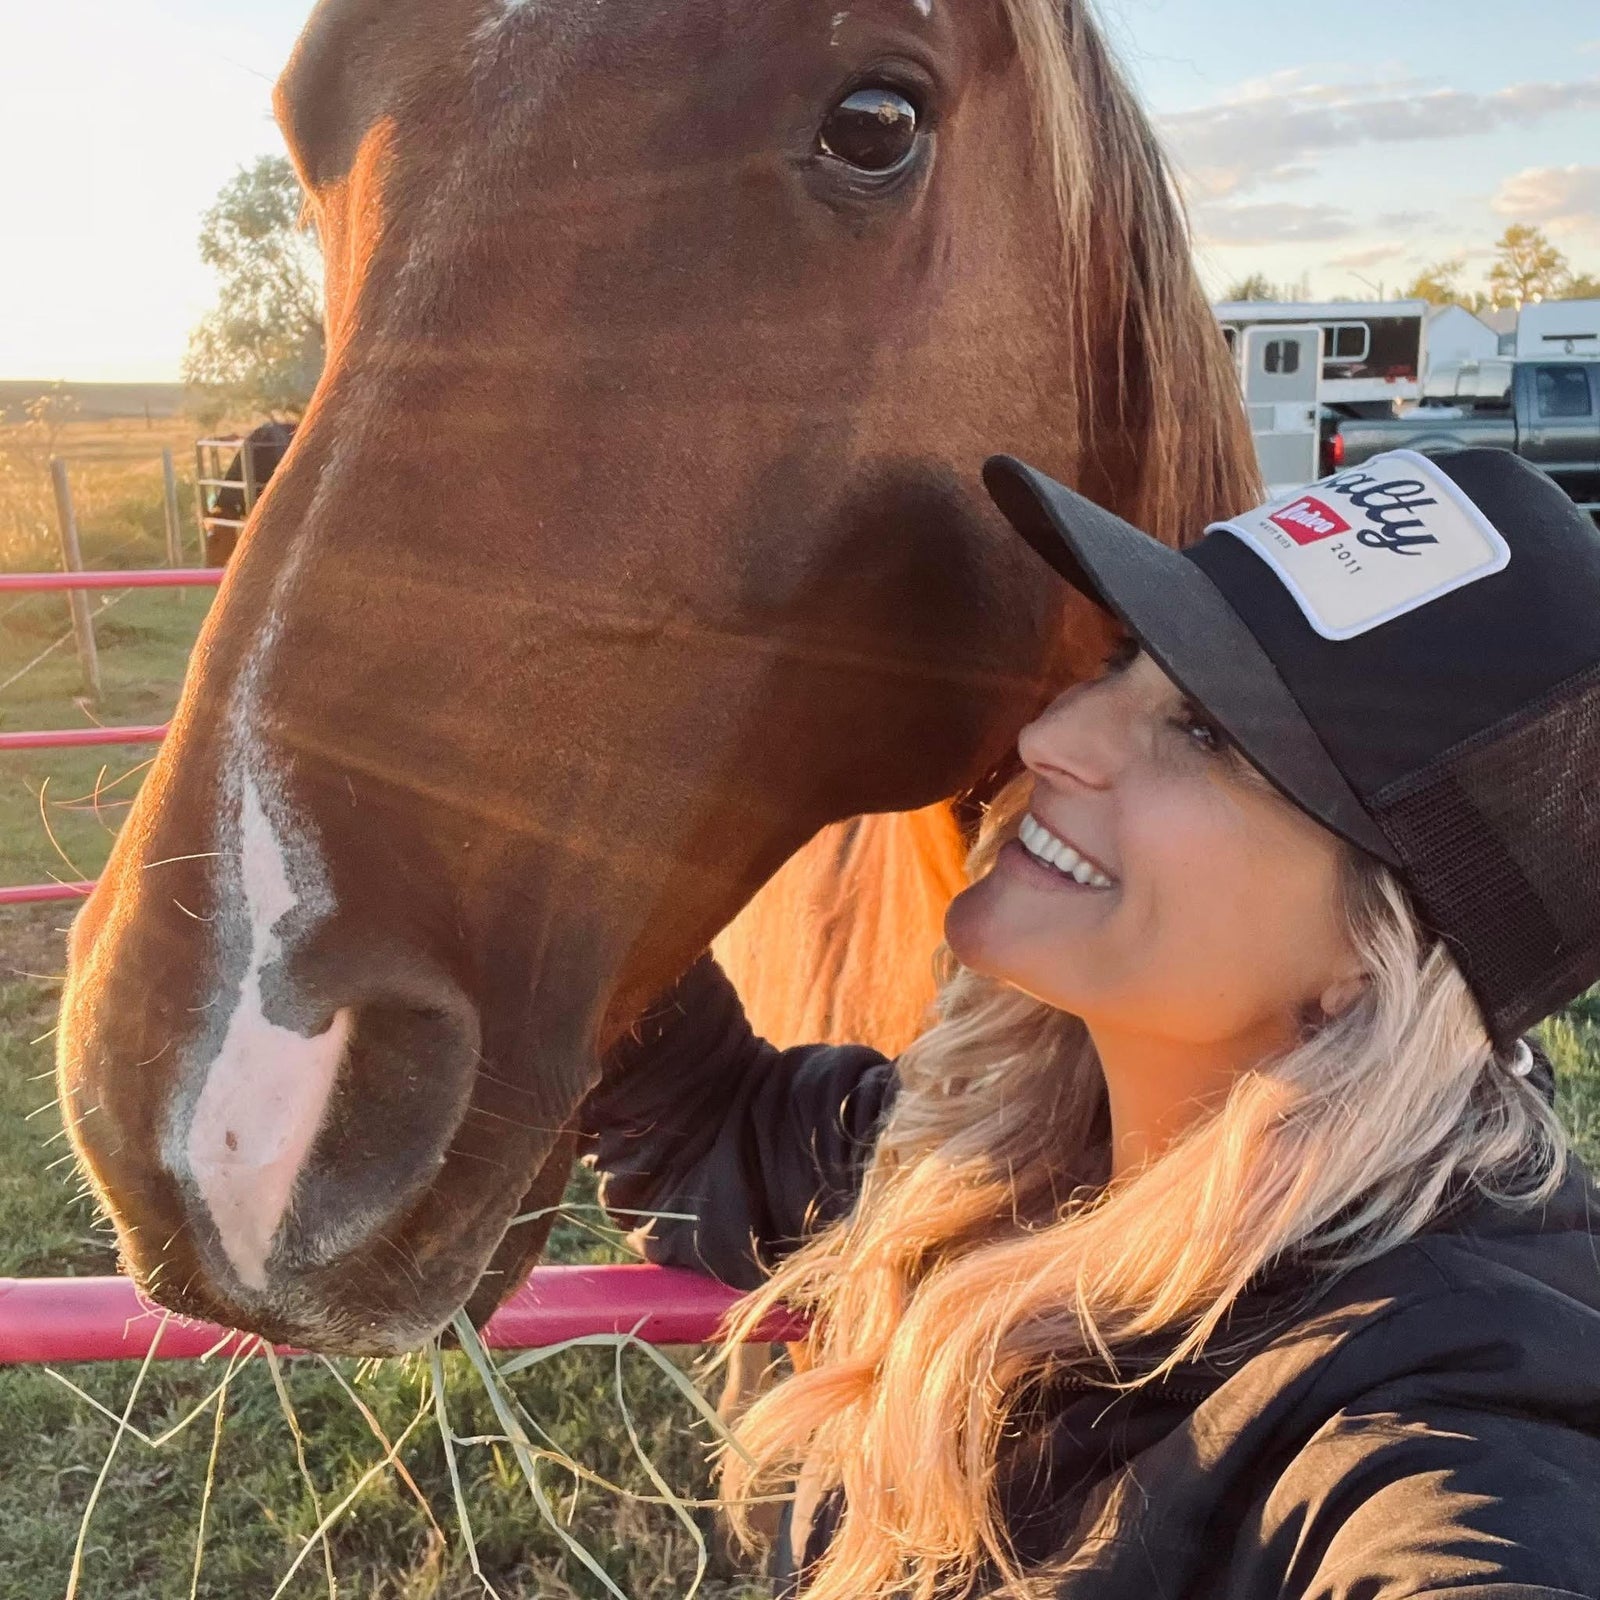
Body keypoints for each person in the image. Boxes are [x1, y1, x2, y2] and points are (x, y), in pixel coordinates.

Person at [577, 447, 1600, 1600]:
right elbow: (700, 1125)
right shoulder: (995, 1141)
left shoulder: (1441, 1399)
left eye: (1204, 731)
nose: (1053, 736)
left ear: (1370, 961)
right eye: (1122, 660)